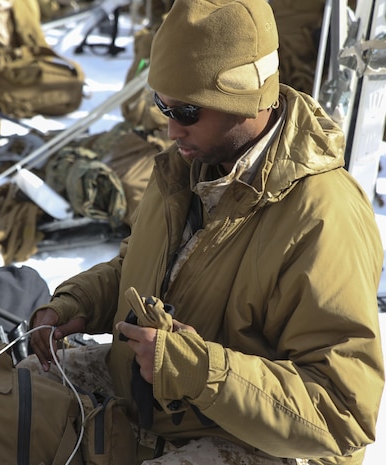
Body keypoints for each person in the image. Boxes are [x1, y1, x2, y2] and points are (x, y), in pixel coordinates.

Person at [23, 0, 385, 464]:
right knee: (19, 393)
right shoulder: (185, 170)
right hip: (162, 404)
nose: (171, 130)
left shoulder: (321, 216)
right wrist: (76, 304)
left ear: (246, 99)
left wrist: (194, 370)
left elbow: (341, 416)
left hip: (262, 442)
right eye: (163, 106)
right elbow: (141, 269)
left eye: (188, 111)